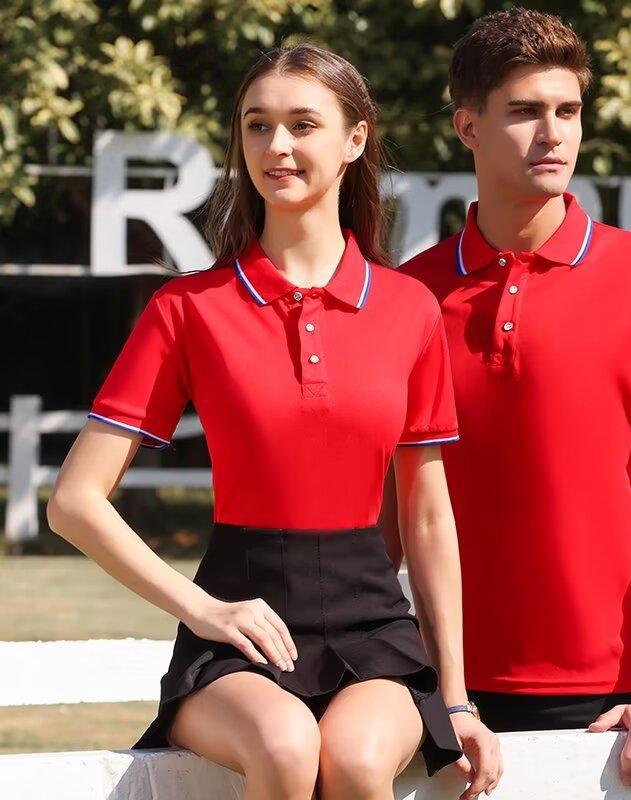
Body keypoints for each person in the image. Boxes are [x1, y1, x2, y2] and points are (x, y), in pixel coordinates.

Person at [47, 43, 501, 800]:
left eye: (302, 124)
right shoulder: (187, 309)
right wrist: (203, 609)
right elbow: (73, 502)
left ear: (355, 140)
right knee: (286, 746)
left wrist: (455, 699)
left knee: (356, 760)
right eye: (257, 126)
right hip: (234, 630)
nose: (276, 146)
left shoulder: (409, 309)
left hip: (374, 628)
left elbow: (426, 518)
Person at [393, 8, 631, 792]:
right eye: (525, 111)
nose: (554, 134)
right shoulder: (409, 295)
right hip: (442, 689)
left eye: (568, 110)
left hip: (614, 700)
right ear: (468, 126)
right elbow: (386, 512)